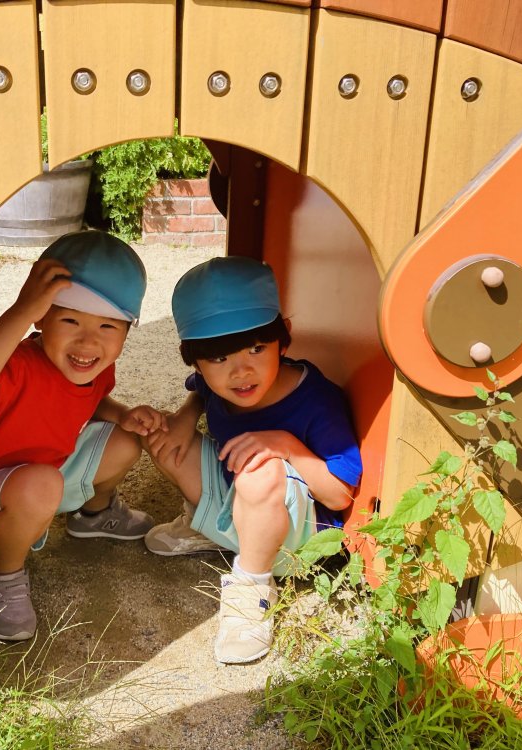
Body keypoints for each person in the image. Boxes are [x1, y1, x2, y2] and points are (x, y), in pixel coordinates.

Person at [0, 230, 165, 641]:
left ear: (127, 332)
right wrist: (20, 311)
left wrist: (122, 414)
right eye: (70, 320)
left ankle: (93, 515)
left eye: (108, 326)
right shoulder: (15, 366)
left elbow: (91, 399)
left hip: (39, 482)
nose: (88, 341)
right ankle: (4, 576)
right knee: (42, 483)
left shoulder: (92, 366)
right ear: (41, 318)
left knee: (124, 439)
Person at [144, 256, 362, 663]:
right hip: (241, 502)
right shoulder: (217, 384)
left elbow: (339, 496)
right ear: (195, 361)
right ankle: (212, 529)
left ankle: (253, 586)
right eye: (218, 358)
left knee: (259, 469)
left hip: (295, 540)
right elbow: (201, 392)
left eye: (257, 348)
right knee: (162, 437)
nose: (241, 371)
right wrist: (184, 419)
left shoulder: (315, 399)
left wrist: (285, 444)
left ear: (284, 338)